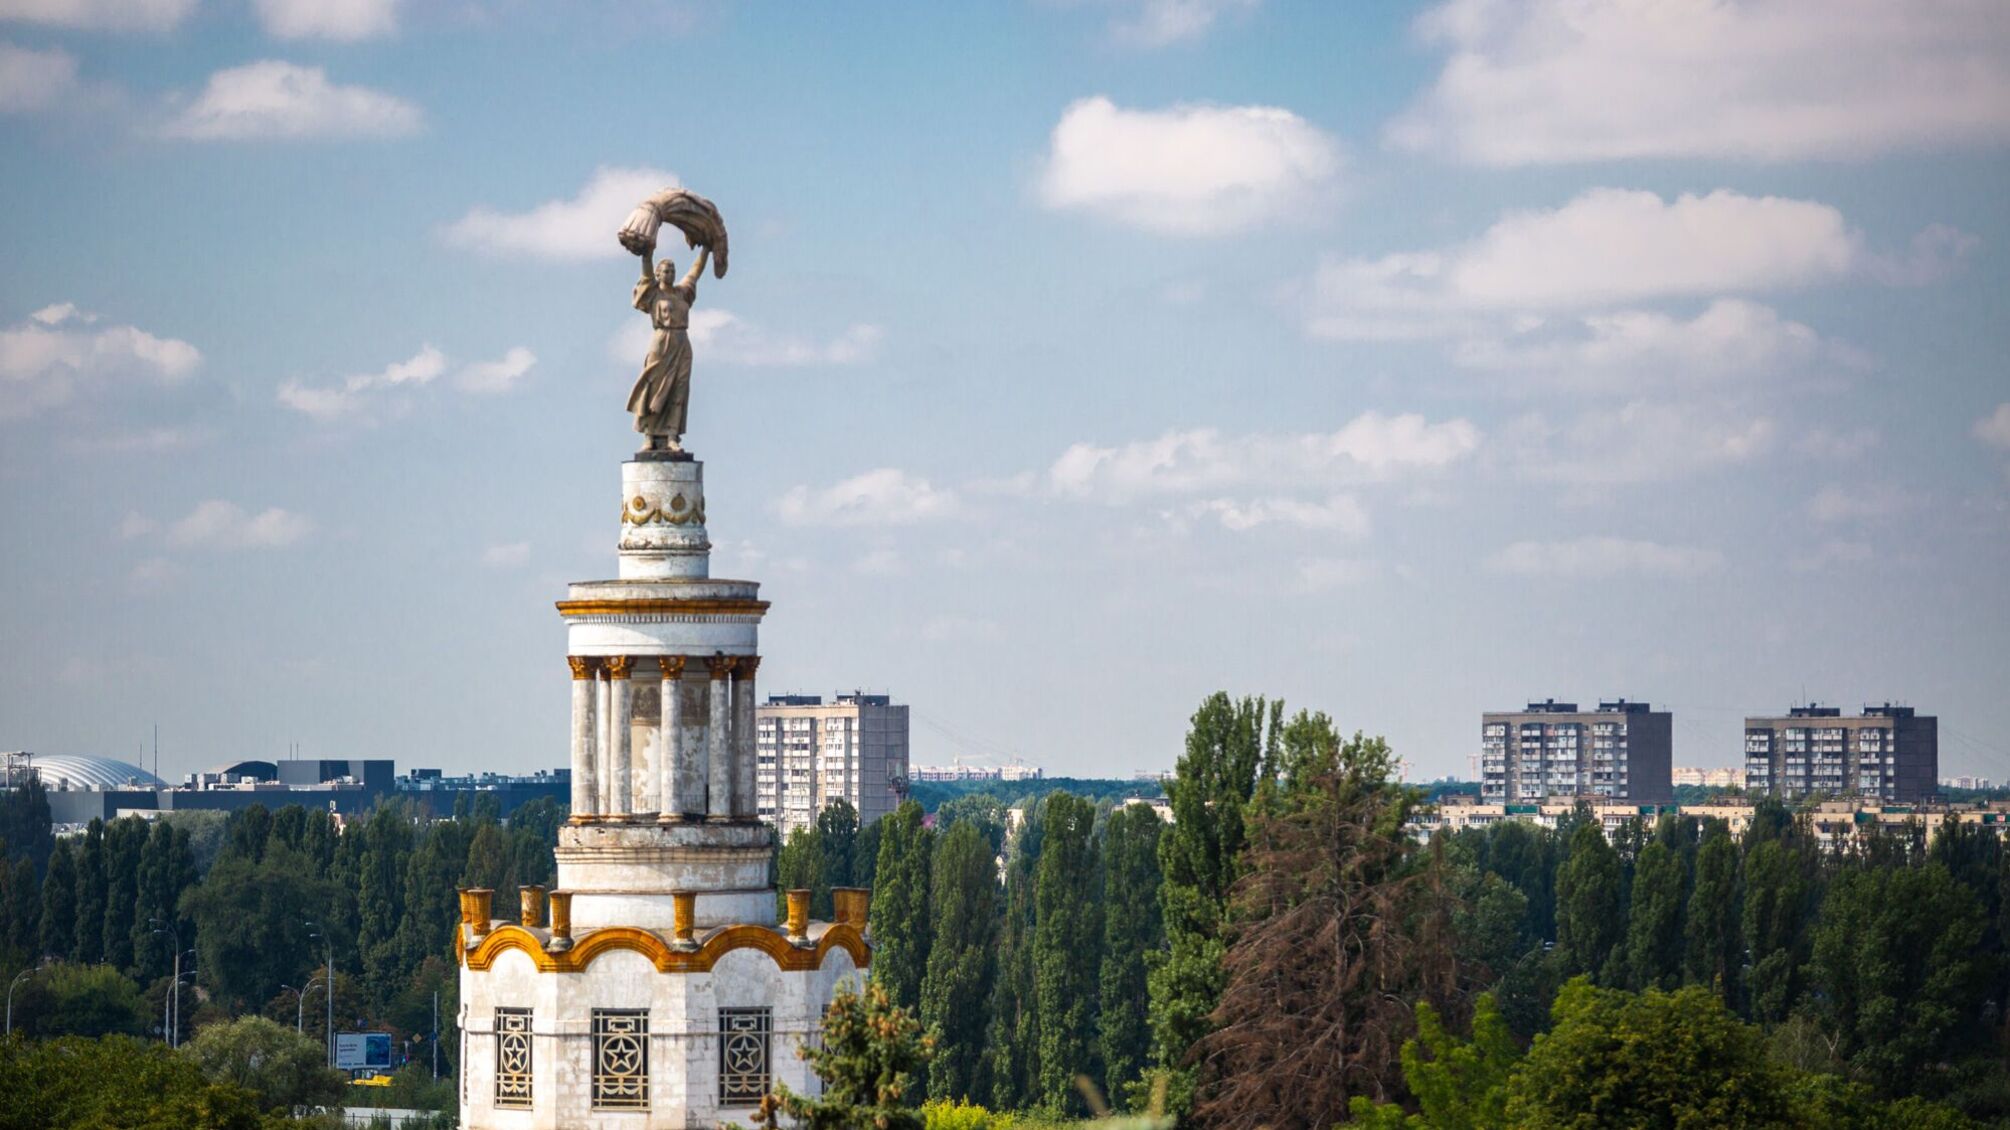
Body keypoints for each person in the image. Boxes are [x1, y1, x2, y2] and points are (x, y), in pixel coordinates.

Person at [628, 245, 710, 451]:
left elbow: (695, 272)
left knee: (678, 390)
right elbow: (646, 272)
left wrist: (706, 250)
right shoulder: (654, 293)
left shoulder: (682, 292)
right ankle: (649, 435)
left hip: (682, 342)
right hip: (661, 341)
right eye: (666, 271)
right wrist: (647, 253)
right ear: (658, 274)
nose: (670, 274)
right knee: (653, 387)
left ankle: (672, 435)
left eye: (673, 270)